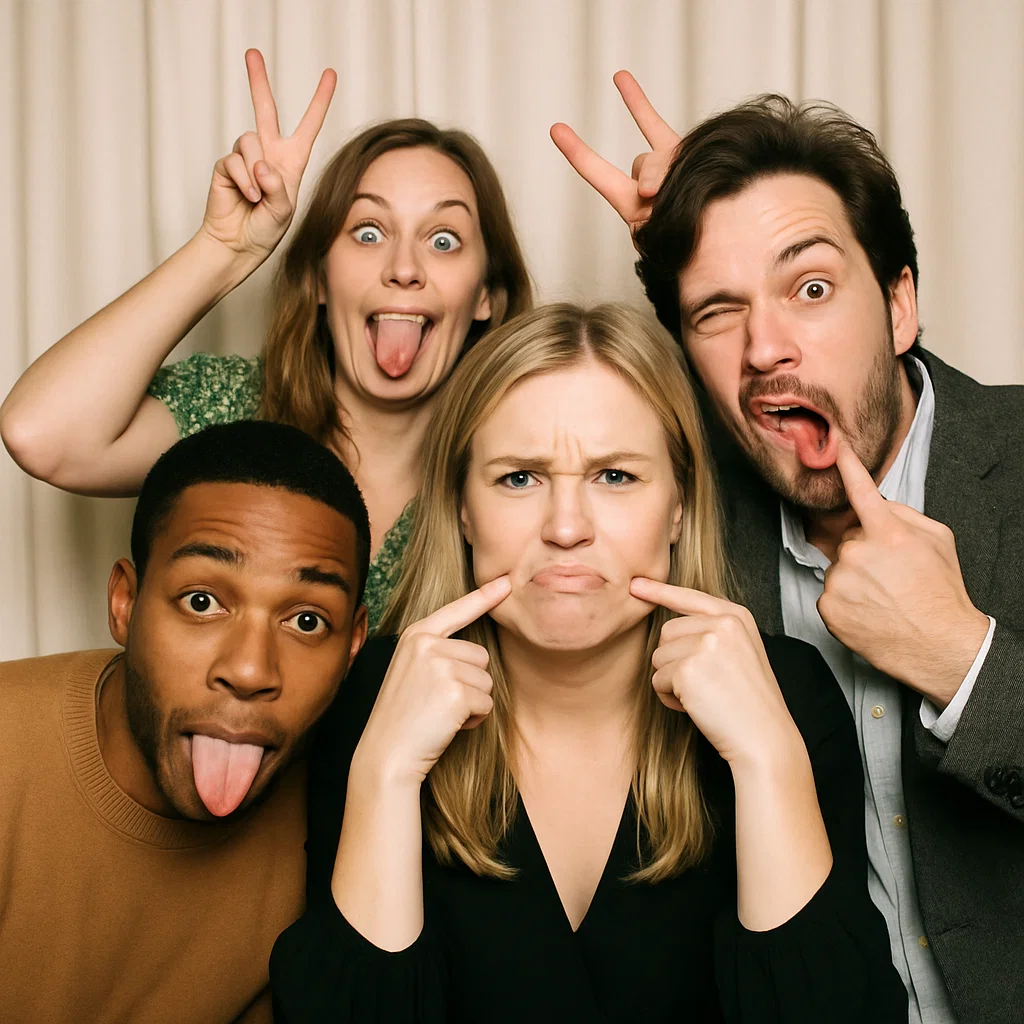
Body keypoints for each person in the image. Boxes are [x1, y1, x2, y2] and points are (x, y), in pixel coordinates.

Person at [269, 303, 906, 1023]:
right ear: (462, 510)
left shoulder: (786, 692)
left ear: (679, 508)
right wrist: (384, 775)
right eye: (518, 478)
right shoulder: (380, 694)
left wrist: (767, 761)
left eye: (614, 477)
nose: (566, 528)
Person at [552, 82, 1024, 1024]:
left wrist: (960, 659)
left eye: (809, 288)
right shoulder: (677, 526)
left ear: (898, 305)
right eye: (717, 312)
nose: (766, 345)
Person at [0, 49, 532, 632]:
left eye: (444, 240)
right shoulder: (239, 408)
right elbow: (42, 435)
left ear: (488, 295)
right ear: (321, 279)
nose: (403, 268)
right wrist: (225, 249)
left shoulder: (524, 460)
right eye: (369, 231)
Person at [0, 419, 370, 1023]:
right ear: (126, 603)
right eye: (203, 602)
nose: (250, 670)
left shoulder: (347, 809)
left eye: (306, 621)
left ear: (352, 645)